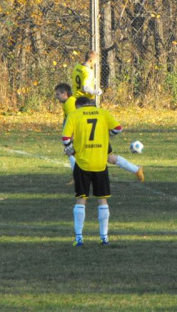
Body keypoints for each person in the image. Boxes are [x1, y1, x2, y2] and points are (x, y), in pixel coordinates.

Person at [62, 96, 124, 247]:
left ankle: (79, 238)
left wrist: (70, 147)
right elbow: (118, 129)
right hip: (100, 163)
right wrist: (104, 136)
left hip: (82, 163)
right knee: (102, 199)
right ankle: (104, 237)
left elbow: (65, 138)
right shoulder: (102, 112)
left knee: (81, 199)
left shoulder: (74, 114)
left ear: (78, 106)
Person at [55, 83, 144, 182]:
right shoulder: (69, 103)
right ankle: (136, 169)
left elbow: (76, 122)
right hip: (94, 137)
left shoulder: (71, 104)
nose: (56, 97)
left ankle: (78, 177)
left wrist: (72, 138)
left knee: (73, 153)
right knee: (109, 158)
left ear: (65, 93)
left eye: (58, 94)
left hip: (88, 138)